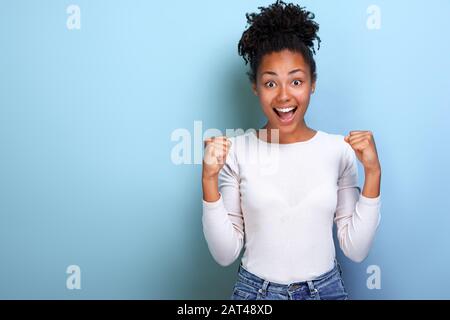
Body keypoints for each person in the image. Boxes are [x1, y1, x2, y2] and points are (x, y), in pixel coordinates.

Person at [201, 0, 381, 300]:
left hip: (326, 291)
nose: (284, 96)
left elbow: (356, 249)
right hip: (255, 294)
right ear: (255, 87)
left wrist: (373, 172)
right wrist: (208, 181)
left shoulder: (338, 150)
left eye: (296, 81)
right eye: (271, 83)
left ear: (312, 83)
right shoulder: (236, 152)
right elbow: (225, 253)